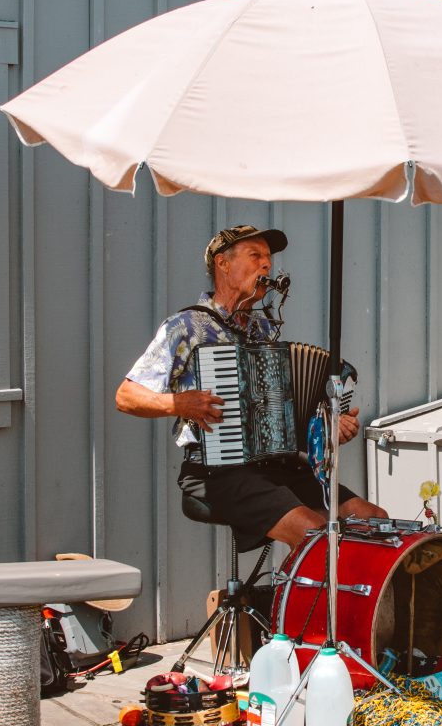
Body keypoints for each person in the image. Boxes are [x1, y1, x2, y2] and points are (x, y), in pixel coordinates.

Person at [115, 224, 388, 552]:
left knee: (372, 519)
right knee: (314, 534)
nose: (266, 265)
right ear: (223, 263)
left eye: (269, 259)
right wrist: (179, 404)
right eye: (255, 255)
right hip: (215, 472)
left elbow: (283, 414)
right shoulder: (186, 326)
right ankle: (302, 603)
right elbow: (126, 395)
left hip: (277, 467)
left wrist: (329, 424)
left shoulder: (263, 329)